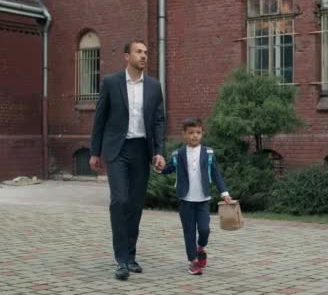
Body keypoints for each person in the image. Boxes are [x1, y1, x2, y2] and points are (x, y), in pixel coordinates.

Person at [89, 39, 165, 281]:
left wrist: (159, 150)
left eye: (146, 52)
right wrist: (94, 151)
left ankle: (130, 256)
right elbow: (100, 118)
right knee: (119, 201)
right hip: (117, 150)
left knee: (134, 204)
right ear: (126, 56)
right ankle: (121, 259)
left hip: (141, 150)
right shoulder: (111, 83)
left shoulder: (154, 86)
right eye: (138, 52)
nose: (144, 56)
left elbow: (159, 121)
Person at [158, 117, 233, 275]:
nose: (194, 136)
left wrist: (224, 193)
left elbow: (216, 174)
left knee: (204, 229)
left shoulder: (209, 153)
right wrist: (158, 166)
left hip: (203, 200)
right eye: (191, 133)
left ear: (202, 134)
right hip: (185, 200)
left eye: (198, 132)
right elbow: (167, 169)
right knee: (189, 231)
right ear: (184, 135)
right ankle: (193, 261)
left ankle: (201, 247)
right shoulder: (178, 154)